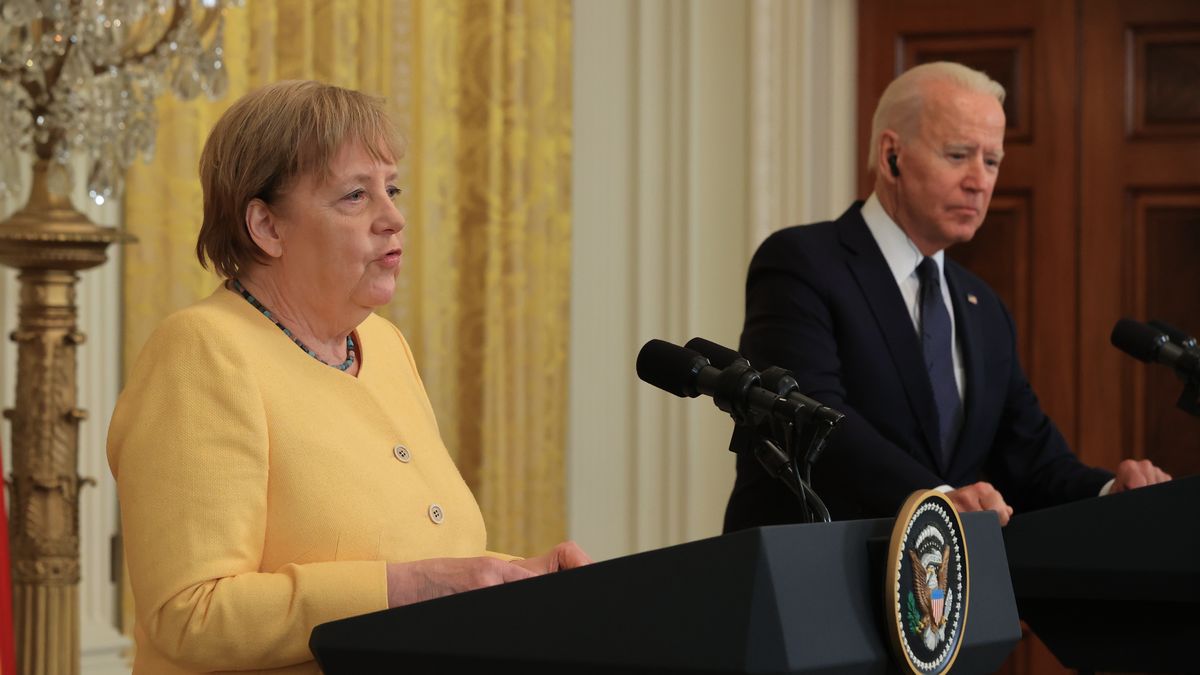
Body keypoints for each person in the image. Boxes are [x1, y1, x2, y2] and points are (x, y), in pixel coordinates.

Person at [107, 81, 590, 674]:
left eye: (391, 189)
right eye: (355, 196)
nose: (393, 218)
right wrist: (415, 587)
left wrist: (515, 578)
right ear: (267, 226)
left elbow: (420, 559)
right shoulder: (203, 351)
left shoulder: (383, 346)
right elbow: (190, 613)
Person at [723, 62, 1170, 530]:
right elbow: (811, 418)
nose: (980, 181)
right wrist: (937, 500)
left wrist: (1111, 494)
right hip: (805, 578)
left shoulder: (983, 308)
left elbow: (1033, 463)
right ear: (892, 155)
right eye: (958, 155)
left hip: (932, 594)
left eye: (992, 161)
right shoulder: (803, 262)